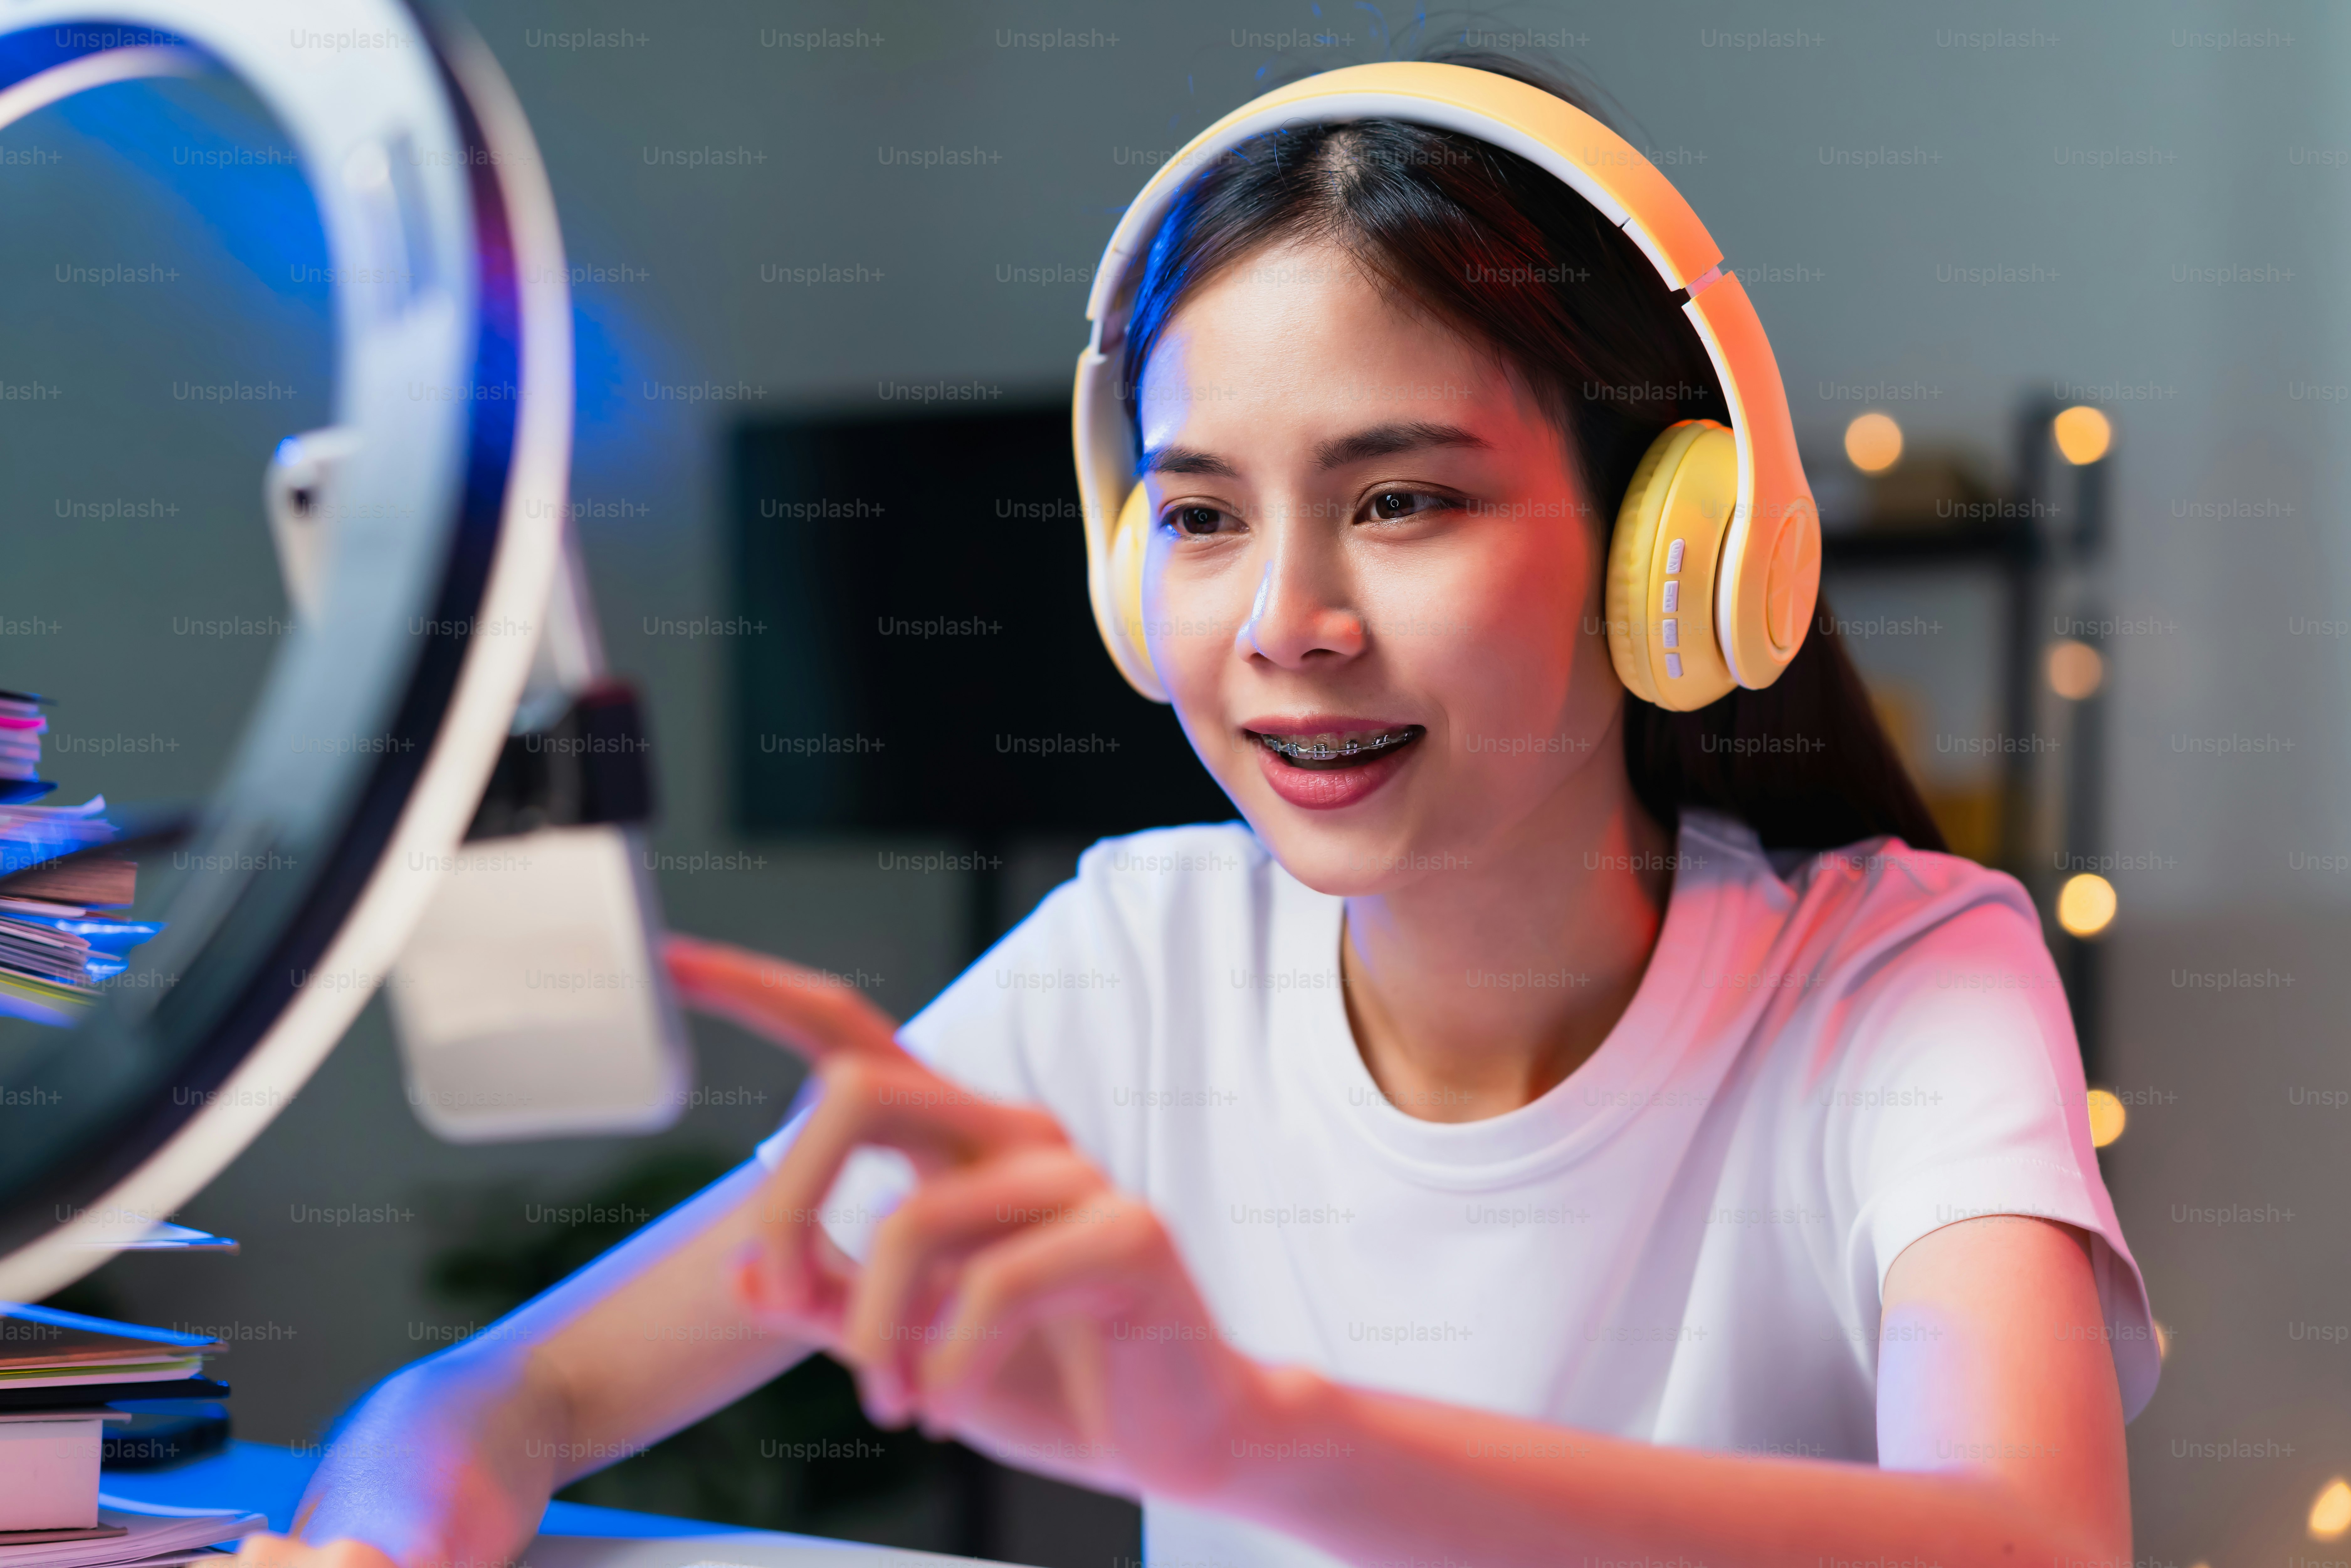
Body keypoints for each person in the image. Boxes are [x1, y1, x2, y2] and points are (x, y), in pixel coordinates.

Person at [243, 51, 2154, 1568]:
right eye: (1202, 516)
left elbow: (2032, 1545)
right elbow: (499, 1399)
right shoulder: (1142, 959)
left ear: (1679, 548)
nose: (1286, 625)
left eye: (1401, 500)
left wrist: (1261, 1442)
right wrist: (385, 1542)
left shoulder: (1908, 973)